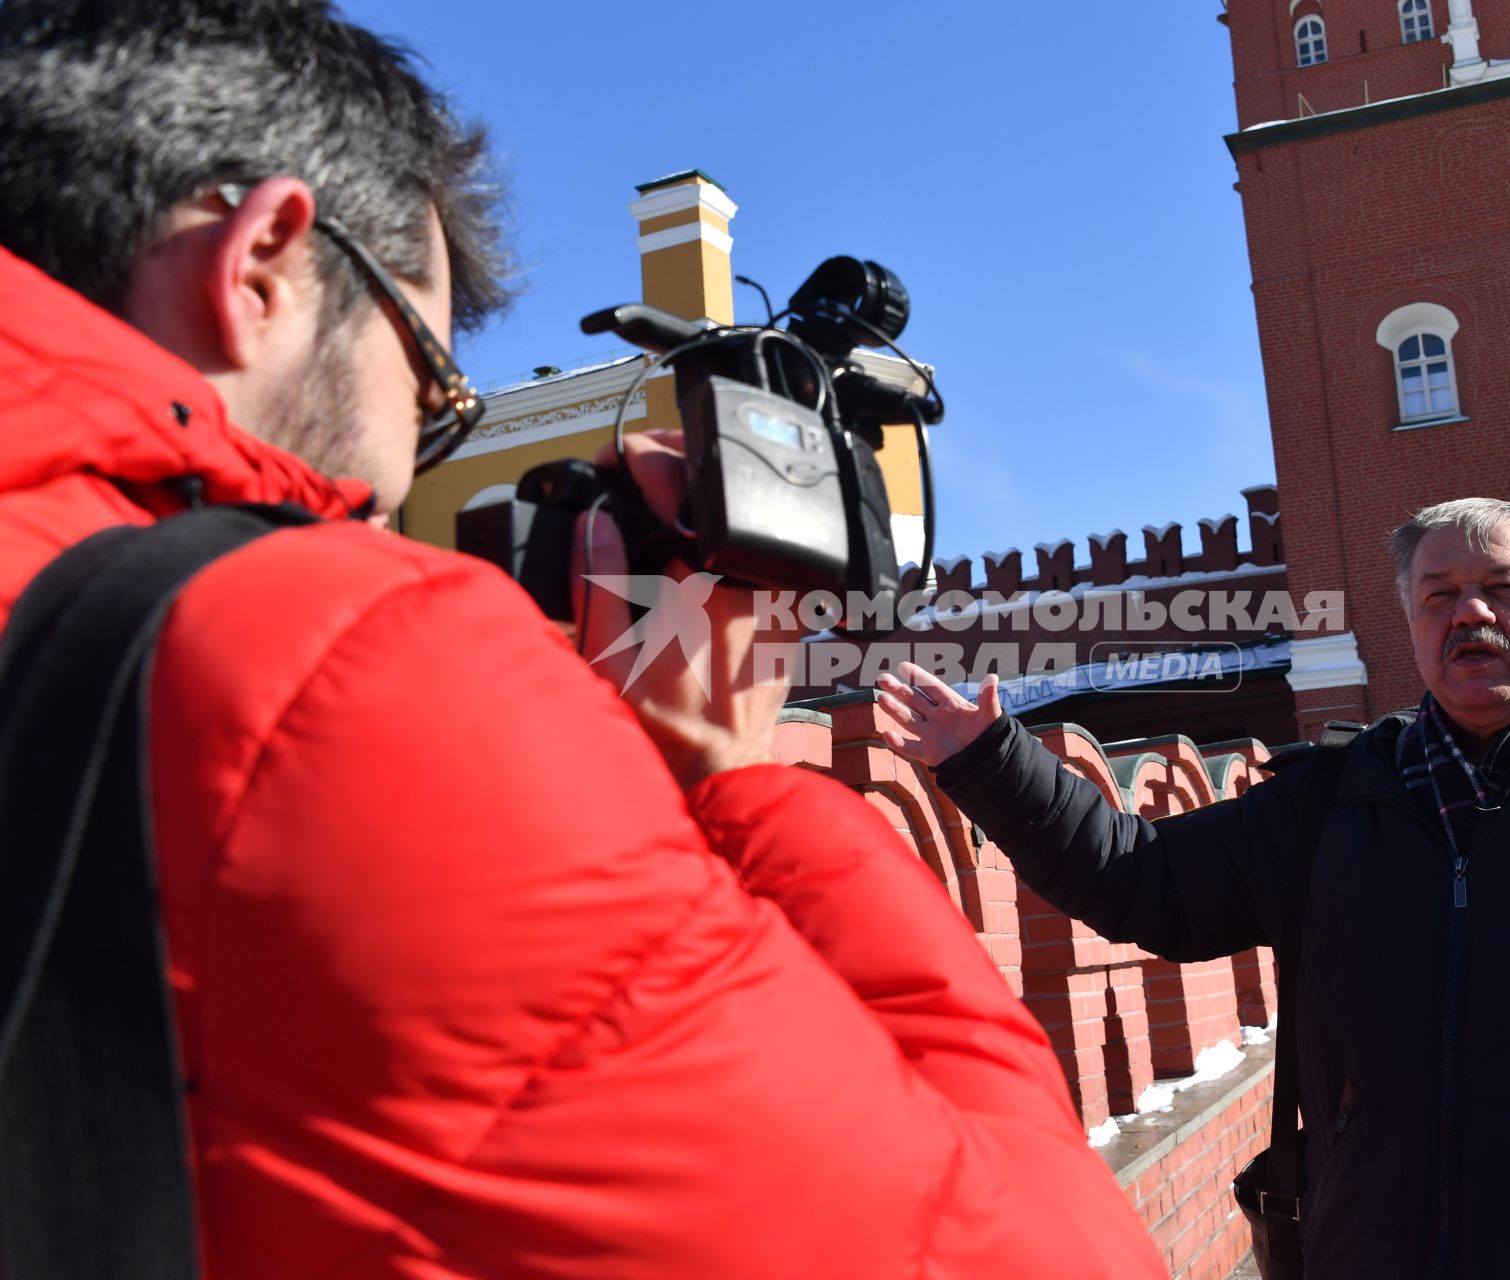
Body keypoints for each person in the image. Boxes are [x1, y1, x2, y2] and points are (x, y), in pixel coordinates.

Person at [0, 1, 1165, 1276]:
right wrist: (729, 777)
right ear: (265, 262)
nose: (390, 484)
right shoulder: (324, 667)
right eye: (437, 395)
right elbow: (1037, 1254)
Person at [876, 497, 1510, 1279]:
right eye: (1439, 594)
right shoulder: (1334, 795)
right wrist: (994, 764)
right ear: (1410, 620)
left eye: (1501, 588)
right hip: (1373, 1249)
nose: (1469, 612)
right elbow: (1147, 884)